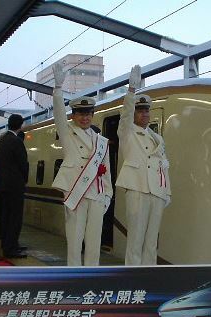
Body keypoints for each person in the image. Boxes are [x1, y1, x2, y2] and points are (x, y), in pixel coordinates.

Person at [52, 63, 113, 266]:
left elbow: (106, 172)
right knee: (75, 240)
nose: (85, 117)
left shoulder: (100, 141)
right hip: (75, 193)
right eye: (81, 113)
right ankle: (73, 277)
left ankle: (91, 277)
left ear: (92, 115)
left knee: (94, 241)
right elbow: (59, 115)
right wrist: (57, 89)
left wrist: (107, 196)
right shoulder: (67, 134)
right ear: (73, 116)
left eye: (89, 113)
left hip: (96, 195)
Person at [117, 65, 171, 265]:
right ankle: (133, 277)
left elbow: (163, 167)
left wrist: (168, 192)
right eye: (140, 111)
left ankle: (149, 275)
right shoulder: (127, 132)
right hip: (137, 189)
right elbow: (125, 115)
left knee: (151, 240)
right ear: (134, 113)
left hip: (157, 192)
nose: (145, 114)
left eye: (147, 110)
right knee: (136, 239)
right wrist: (131, 90)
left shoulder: (157, 138)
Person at [0, 115, 29, 258]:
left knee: (6, 216)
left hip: (4, 184)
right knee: (15, 217)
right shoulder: (16, 141)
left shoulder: (3, 140)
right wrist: (25, 179)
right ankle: (11, 248)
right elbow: (23, 163)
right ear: (20, 125)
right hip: (15, 185)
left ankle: (7, 244)